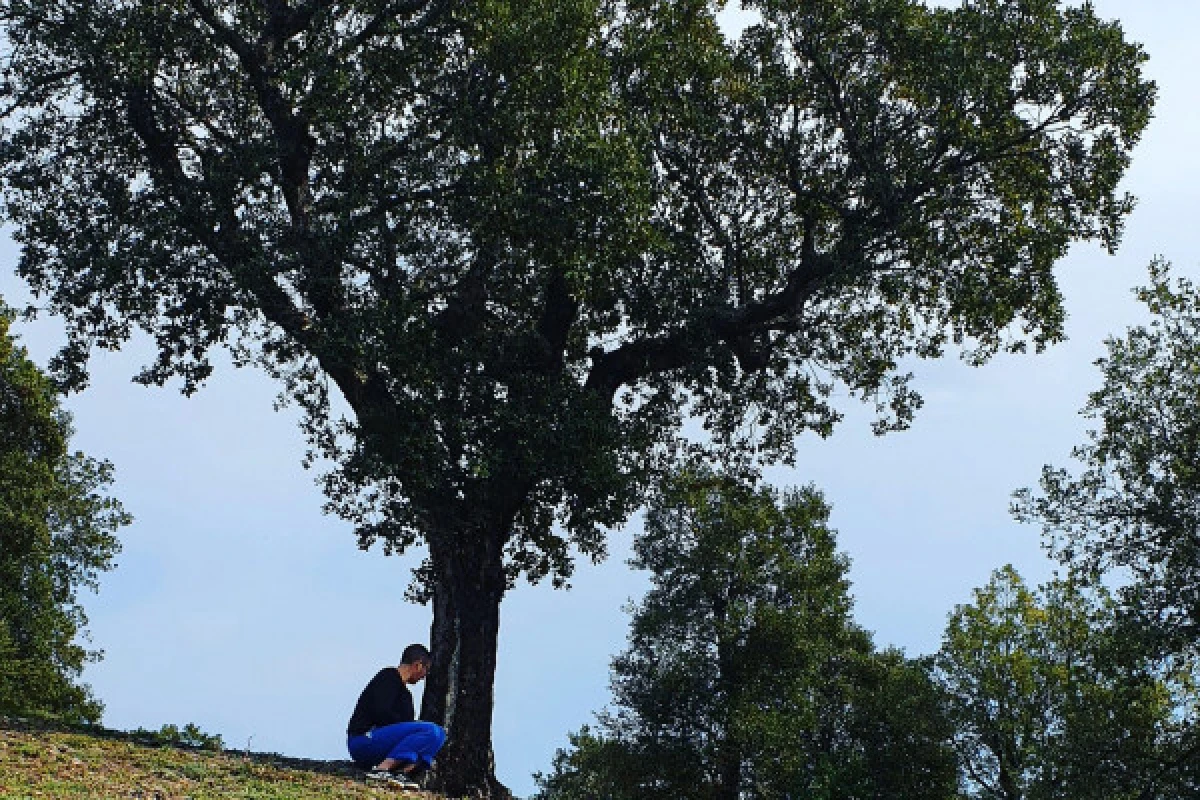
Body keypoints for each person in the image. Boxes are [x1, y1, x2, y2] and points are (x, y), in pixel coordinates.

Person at [346, 643, 446, 789]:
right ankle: (382, 769)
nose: (424, 677)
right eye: (426, 670)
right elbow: (381, 712)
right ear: (418, 665)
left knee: (439, 735)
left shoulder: (406, 697)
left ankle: (401, 773)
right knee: (431, 730)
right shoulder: (388, 677)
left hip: (384, 745)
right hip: (363, 740)